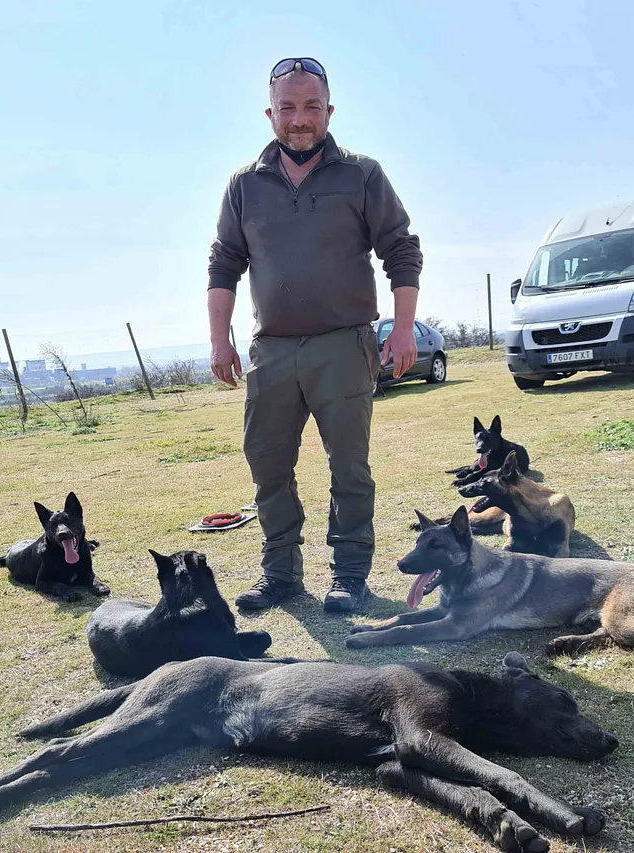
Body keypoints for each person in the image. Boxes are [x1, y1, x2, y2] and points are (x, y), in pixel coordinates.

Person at [207, 57, 423, 613]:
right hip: (272, 350)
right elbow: (224, 262)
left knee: (348, 466)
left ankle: (349, 575)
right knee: (267, 464)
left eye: (310, 107)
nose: (298, 119)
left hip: (342, 344)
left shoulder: (362, 174)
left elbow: (400, 248)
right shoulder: (243, 186)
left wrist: (402, 329)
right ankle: (281, 575)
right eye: (287, 108)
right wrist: (219, 340)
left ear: (329, 110)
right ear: (270, 113)